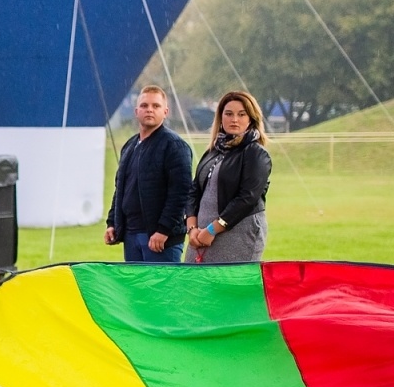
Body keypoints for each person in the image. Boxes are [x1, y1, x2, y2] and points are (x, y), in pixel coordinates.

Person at [105, 85, 193, 263]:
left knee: (161, 290)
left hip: (160, 239)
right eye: (144, 106)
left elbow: (180, 193)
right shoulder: (130, 146)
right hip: (131, 235)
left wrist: (163, 230)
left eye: (156, 106)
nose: (149, 110)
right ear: (136, 111)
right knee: (137, 290)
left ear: (165, 111)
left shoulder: (174, 146)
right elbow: (120, 188)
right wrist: (112, 223)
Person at [185, 90, 273, 264]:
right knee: (194, 287)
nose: (234, 119)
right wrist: (192, 228)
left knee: (227, 289)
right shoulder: (212, 151)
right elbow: (194, 191)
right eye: (229, 114)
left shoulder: (256, 154)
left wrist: (212, 230)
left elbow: (247, 198)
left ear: (251, 119)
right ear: (220, 117)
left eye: (241, 114)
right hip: (200, 234)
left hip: (238, 234)